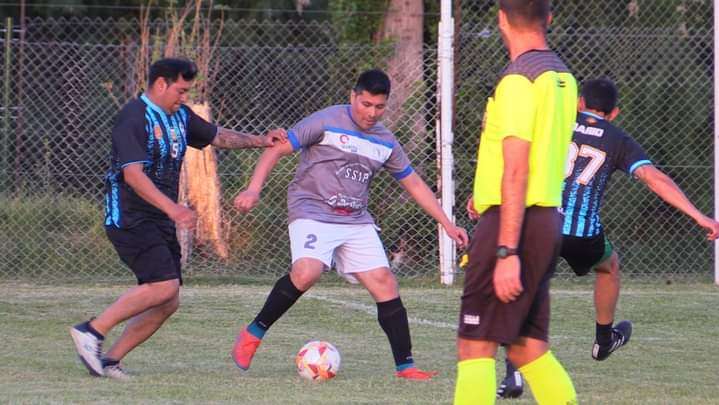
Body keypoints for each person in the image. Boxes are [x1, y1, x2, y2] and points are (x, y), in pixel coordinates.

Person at [231, 69, 469, 381]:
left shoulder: (385, 141)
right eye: (366, 104)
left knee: (384, 281)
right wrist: (253, 188)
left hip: (355, 218)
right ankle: (253, 333)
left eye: (379, 107)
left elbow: (414, 184)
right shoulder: (325, 120)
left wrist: (447, 225)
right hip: (312, 208)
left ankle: (405, 367)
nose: (371, 113)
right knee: (307, 271)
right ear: (353, 97)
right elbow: (276, 148)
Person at [494, 77, 719, 399]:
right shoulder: (617, 139)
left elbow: (516, 159)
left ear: (579, 103)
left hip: (542, 223)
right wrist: (699, 216)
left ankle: (512, 373)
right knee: (609, 265)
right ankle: (603, 339)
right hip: (584, 234)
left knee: (523, 286)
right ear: (614, 113)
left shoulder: (557, 121)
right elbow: (652, 177)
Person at [70, 57, 286, 380]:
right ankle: (92, 330)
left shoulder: (180, 116)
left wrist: (259, 140)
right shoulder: (133, 118)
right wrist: (174, 209)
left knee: (168, 300)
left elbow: (217, 136)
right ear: (161, 84)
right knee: (163, 285)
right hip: (129, 216)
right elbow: (133, 176)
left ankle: (110, 360)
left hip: (159, 220)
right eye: (181, 90)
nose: (184, 97)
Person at [454, 1, 579, 404]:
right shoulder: (563, 77)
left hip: (515, 223)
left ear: (502, 19)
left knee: (475, 345)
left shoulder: (517, 80)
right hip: (545, 220)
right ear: (549, 19)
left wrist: (506, 250)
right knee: (527, 348)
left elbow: (517, 169)